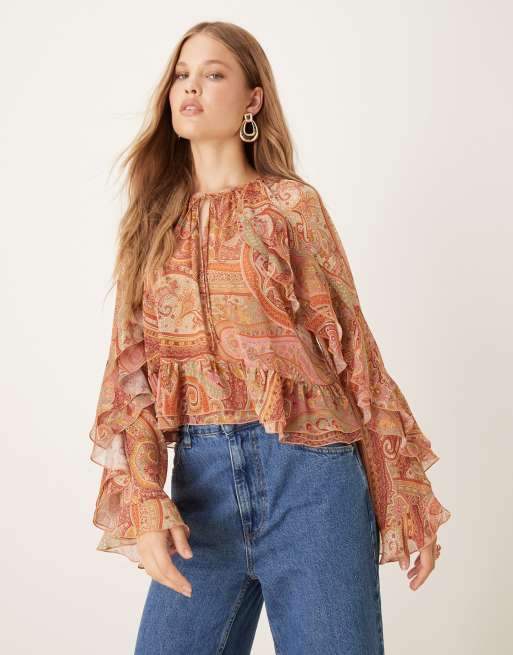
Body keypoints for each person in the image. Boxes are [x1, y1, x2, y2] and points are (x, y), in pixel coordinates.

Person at [88, 21, 451, 655]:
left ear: (253, 99)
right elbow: (131, 379)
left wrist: (404, 493)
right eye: (181, 75)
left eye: (214, 74)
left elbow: (354, 352)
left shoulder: (291, 206)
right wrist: (144, 500)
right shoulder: (148, 225)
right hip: (200, 494)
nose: (190, 87)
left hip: (311, 484)